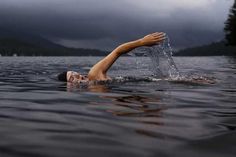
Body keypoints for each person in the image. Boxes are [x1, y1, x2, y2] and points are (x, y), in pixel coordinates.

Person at [58, 32, 166, 83]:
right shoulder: (91, 84)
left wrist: (142, 42)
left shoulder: (93, 74)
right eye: (71, 78)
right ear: (69, 86)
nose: (76, 75)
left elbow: (117, 51)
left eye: (73, 73)